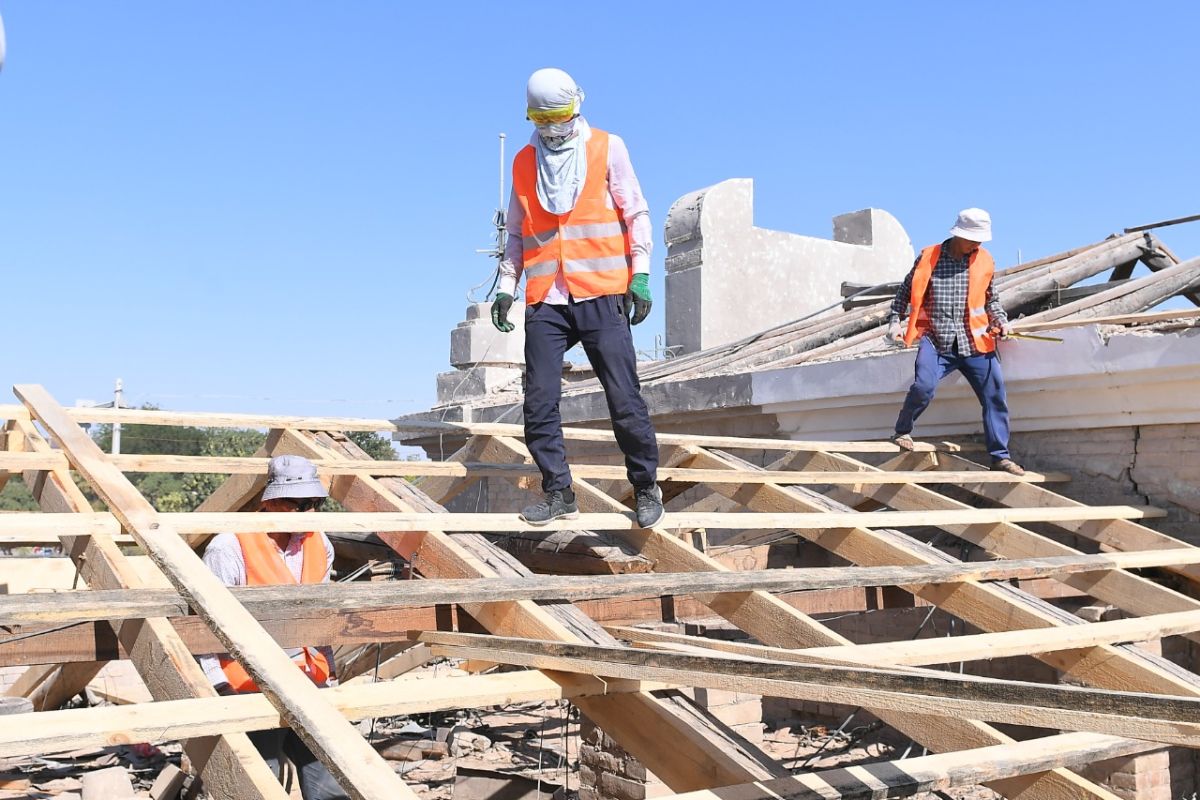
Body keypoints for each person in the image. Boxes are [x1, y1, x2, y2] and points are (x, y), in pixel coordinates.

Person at [490, 68, 664, 527]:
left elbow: (636, 212)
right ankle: (558, 491)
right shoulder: (525, 160)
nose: (550, 126)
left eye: (559, 116)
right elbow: (515, 232)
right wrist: (507, 287)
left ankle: (646, 485)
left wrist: (641, 274)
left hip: (601, 290)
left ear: (577, 107)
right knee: (539, 400)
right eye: (540, 118)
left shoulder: (608, 146)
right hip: (547, 297)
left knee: (624, 397)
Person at [197, 455, 349, 800]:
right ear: (273, 501)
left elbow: (318, 615)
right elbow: (205, 627)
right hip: (247, 685)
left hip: (308, 679)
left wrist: (331, 673)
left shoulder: (318, 543)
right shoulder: (229, 547)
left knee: (328, 774)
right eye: (302, 504)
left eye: (316, 503)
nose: (311, 512)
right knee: (257, 781)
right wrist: (217, 685)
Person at [885, 208, 1025, 475]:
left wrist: (1001, 321)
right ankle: (902, 430)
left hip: (975, 342)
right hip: (936, 340)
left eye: (981, 239)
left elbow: (990, 300)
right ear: (958, 234)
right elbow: (903, 294)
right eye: (973, 238)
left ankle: (1000, 457)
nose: (978, 244)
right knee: (923, 387)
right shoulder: (929, 257)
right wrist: (895, 322)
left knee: (994, 395)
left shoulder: (985, 260)